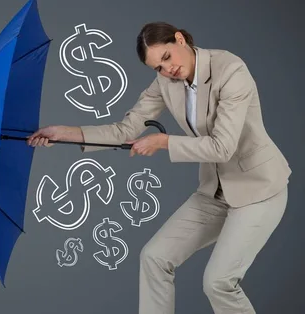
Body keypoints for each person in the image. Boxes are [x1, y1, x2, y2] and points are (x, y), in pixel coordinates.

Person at [26, 21, 291, 314]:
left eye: (166, 58)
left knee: (218, 282)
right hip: (214, 191)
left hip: (258, 190)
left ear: (179, 39)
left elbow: (222, 147)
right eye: (157, 68)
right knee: (153, 258)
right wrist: (62, 132)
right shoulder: (166, 82)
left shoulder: (230, 70)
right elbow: (125, 129)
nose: (167, 70)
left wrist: (164, 142)